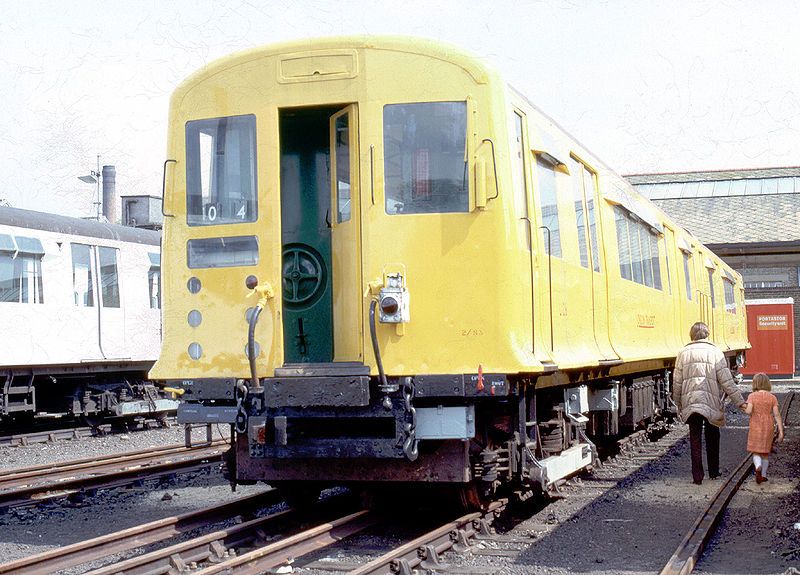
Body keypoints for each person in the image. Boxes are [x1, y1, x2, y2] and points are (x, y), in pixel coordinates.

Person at [673, 321, 746, 485]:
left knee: (695, 439)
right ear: (707, 334)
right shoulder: (715, 352)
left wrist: (677, 403)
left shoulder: (683, 353)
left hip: (691, 402)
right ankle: (714, 471)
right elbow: (727, 382)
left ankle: (697, 476)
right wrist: (740, 402)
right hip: (711, 402)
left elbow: (677, 382)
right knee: (713, 435)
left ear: (691, 335)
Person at [744, 372, 784, 484]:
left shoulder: (752, 396)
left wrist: (743, 406)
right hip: (768, 426)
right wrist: (781, 431)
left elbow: (748, 411)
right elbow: (777, 415)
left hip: (755, 426)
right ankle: (764, 475)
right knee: (765, 452)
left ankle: (758, 466)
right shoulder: (772, 397)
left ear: (755, 383)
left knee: (755, 451)